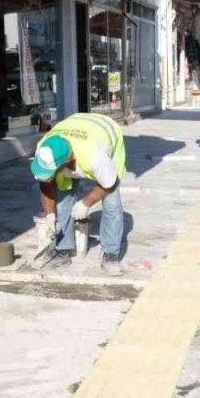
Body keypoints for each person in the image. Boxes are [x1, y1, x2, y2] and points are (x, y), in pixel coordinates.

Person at [29, 113, 128, 277]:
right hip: (75, 127)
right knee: (62, 199)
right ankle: (63, 250)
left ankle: (110, 254)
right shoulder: (44, 148)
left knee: (112, 203)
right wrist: (50, 216)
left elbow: (110, 184)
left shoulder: (95, 157)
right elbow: (46, 183)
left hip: (105, 132)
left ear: (66, 162)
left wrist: (86, 203)